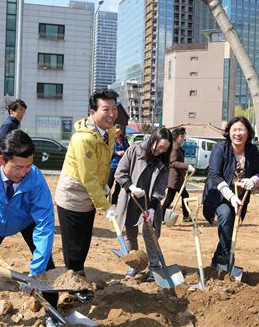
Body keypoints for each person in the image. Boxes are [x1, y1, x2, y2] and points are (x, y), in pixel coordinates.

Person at [0, 129, 58, 326]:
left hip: (27, 220)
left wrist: (35, 269)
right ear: (1, 161)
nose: (24, 172)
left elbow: (44, 222)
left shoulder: (35, 178)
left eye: (28, 166)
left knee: (47, 267)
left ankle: (51, 313)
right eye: (18, 167)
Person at [54, 89, 118, 299]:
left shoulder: (109, 133)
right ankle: (74, 285)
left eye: (114, 108)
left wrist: (104, 187)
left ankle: (77, 275)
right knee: (73, 246)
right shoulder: (82, 139)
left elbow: (102, 166)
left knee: (83, 241)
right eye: (105, 109)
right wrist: (106, 205)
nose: (111, 114)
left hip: (90, 196)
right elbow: (87, 177)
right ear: (93, 111)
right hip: (73, 196)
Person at [202, 116, 259, 268]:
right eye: (234, 129)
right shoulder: (221, 148)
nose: (238, 133)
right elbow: (214, 174)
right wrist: (230, 196)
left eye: (241, 130)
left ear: (248, 133)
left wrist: (254, 180)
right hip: (218, 194)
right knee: (226, 215)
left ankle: (219, 260)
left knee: (231, 225)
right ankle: (224, 255)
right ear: (229, 132)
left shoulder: (251, 150)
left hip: (240, 195)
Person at [114, 128, 172, 280]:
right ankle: (135, 266)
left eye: (165, 149)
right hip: (130, 199)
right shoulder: (134, 150)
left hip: (148, 202)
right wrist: (130, 187)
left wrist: (152, 208)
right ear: (153, 140)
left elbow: (160, 187)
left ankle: (154, 267)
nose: (161, 151)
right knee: (130, 233)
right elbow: (120, 172)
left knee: (149, 233)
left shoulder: (164, 162)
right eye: (160, 147)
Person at [161, 127, 195, 223]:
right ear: (176, 137)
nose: (183, 137)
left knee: (183, 195)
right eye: (181, 135)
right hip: (175, 178)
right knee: (170, 199)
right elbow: (172, 162)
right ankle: (160, 217)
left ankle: (185, 216)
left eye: (183, 135)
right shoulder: (175, 147)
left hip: (178, 178)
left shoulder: (177, 146)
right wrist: (186, 166)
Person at [107, 123, 129, 205]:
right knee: (109, 183)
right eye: (116, 131)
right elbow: (108, 150)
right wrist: (117, 152)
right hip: (113, 164)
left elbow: (128, 148)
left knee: (119, 184)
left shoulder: (124, 139)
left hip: (121, 165)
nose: (118, 133)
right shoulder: (111, 139)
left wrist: (125, 152)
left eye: (119, 131)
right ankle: (103, 200)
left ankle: (114, 200)